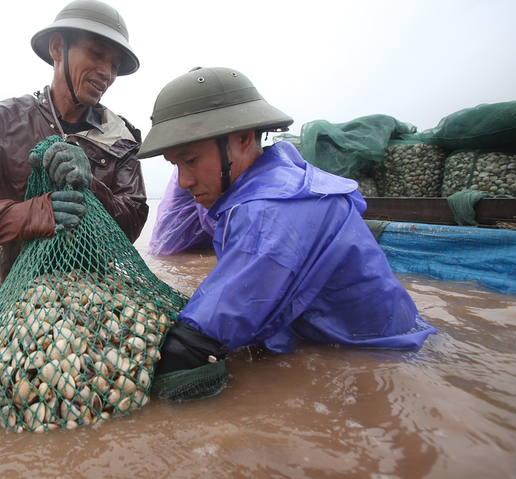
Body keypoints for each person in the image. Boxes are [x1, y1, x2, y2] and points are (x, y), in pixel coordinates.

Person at [137, 67, 438, 401]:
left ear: (242, 138)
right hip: (392, 336)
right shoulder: (277, 178)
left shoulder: (271, 211)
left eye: (191, 160)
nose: (182, 182)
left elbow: (198, 342)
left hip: (387, 360)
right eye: (175, 166)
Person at [0, 0, 148, 307]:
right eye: (97, 53)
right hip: (15, 298)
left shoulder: (121, 137)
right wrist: (30, 215)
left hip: (94, 299)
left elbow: (132, 224)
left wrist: (92, 188)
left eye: (114, 64)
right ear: (57, 47)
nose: (106, 73)